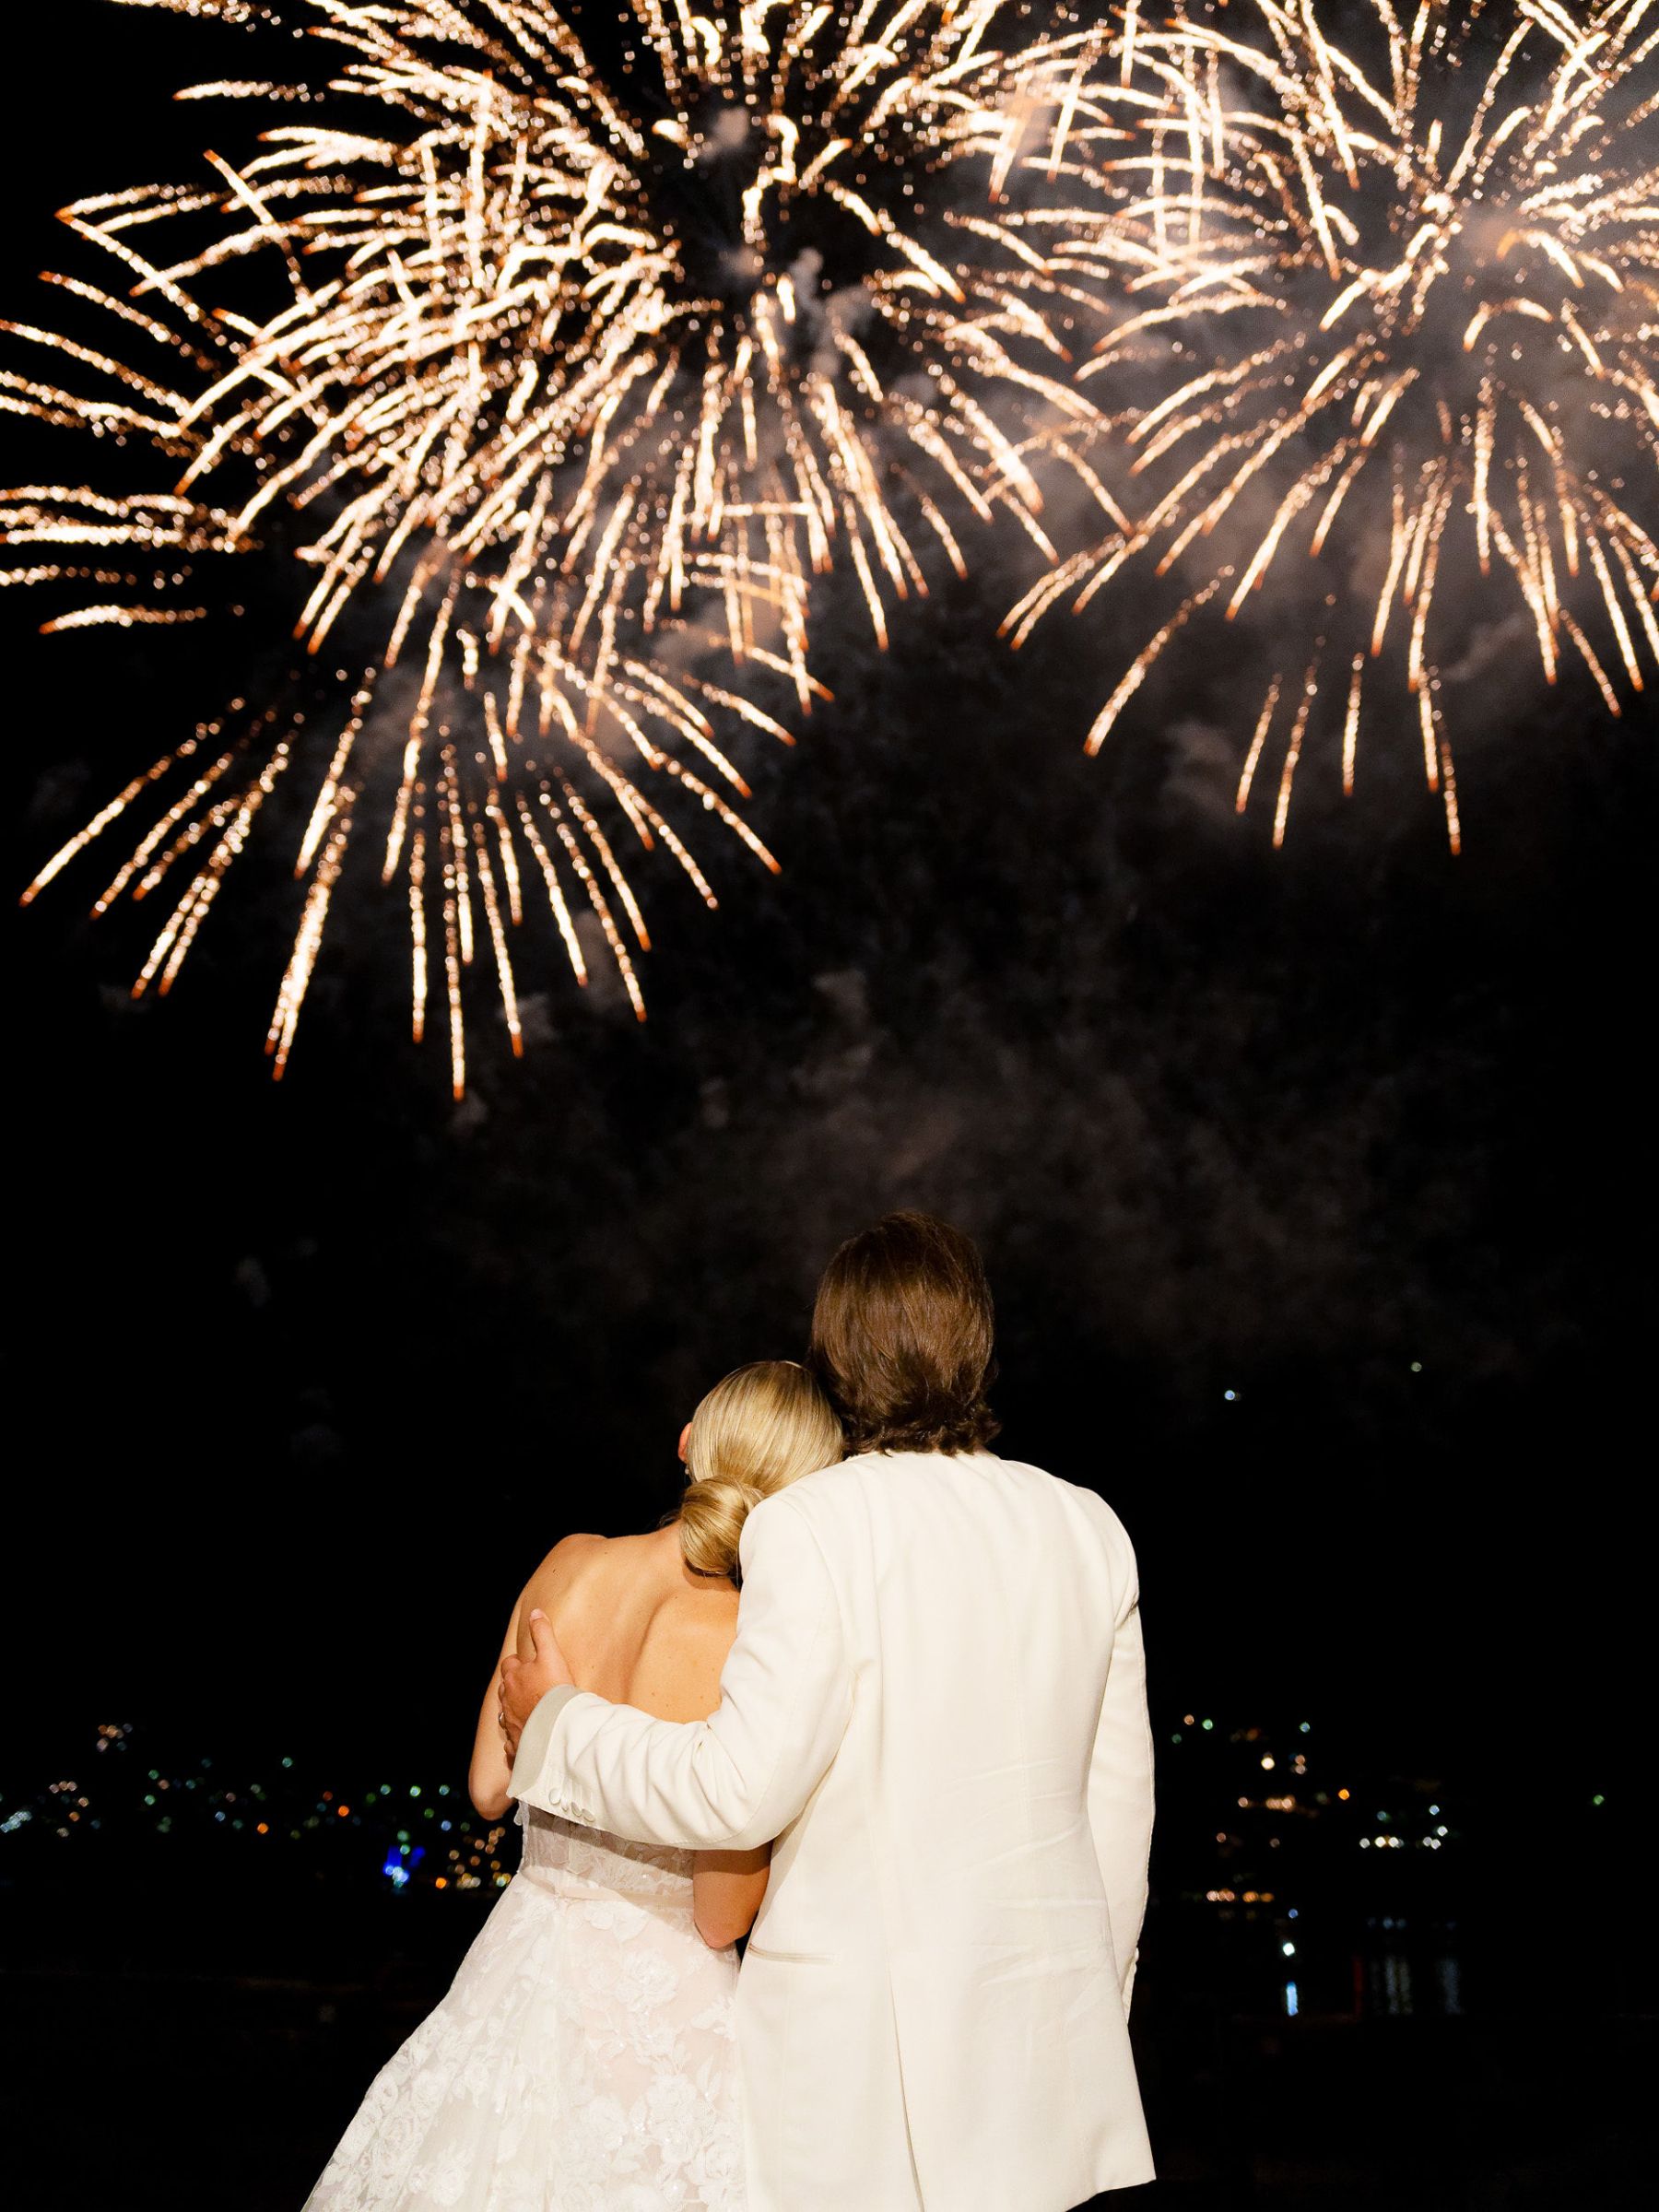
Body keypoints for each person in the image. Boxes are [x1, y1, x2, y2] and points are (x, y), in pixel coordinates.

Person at [500, 1213, 1156, 2212]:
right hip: (1047, 2070)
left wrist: (559, 1726)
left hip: (851, 2083)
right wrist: (1087, 2019)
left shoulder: (811, 1526)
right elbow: (1120, 1827)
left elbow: (733, 1792)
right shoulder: (1089, 1527)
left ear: (837, 1354)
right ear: (976, 1346)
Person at [306, 1359, 843, 2212]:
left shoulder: (570, 1562)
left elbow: (489, 1784)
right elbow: (717, 1915)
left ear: (687, 1444)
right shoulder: (753, 1639)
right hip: (661, 2029)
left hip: (518, 1970)